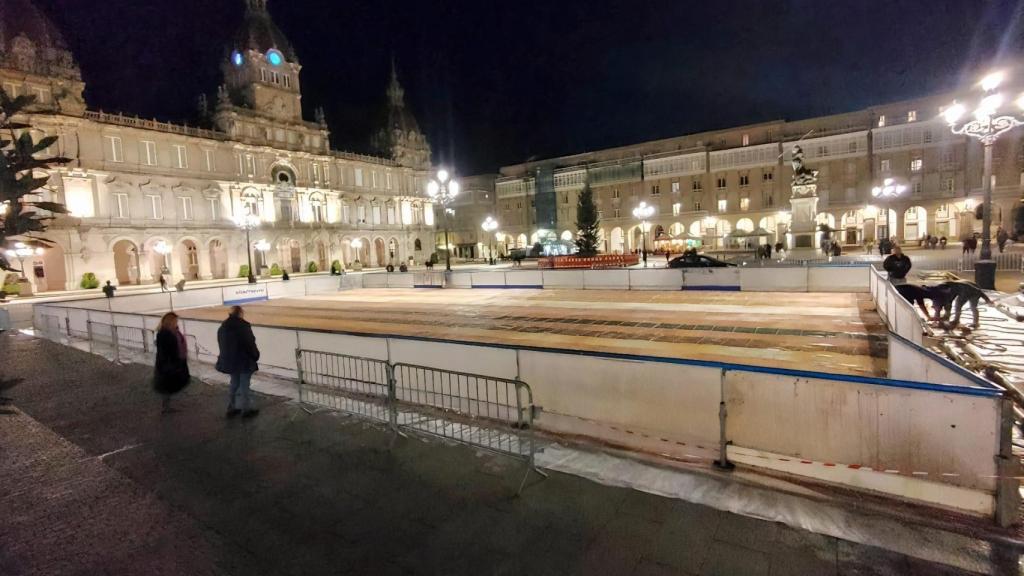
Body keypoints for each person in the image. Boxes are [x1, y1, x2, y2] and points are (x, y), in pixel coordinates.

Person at [216, 305, 261, 418]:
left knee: (234, 384)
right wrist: (255, 356)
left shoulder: (223, 327)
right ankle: (246, 409)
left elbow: (222, 345)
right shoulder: (243, 327)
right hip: (244, 361)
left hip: (230, 361)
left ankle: (232, 407)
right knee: (244, 385)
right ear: (240, 313)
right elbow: (250, 344)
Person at [154, 312, 190, 413]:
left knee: (168, 384)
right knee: (167, 384)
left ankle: (166, 405)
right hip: (168, 364)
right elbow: (167, 351)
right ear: (170, 321)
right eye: (175, 321)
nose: (176, 322)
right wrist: (173, 362)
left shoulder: (172, 332)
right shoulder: (165, 334)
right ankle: (166, 407)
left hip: (172, 362)